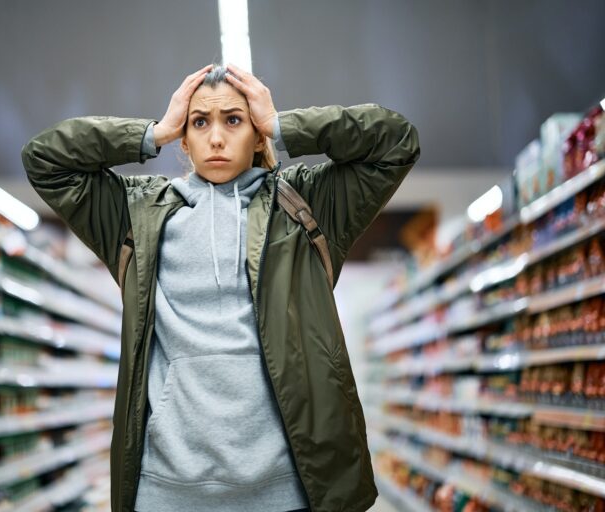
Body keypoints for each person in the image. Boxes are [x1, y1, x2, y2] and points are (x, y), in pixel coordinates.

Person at [22, 63, 420, 512]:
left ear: (256, 135)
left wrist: (285, 125)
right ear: (185, 140)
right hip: (167, 491)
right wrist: (151, 134)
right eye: (199, 122)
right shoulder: (138, 214)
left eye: (233, 120)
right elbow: (45, 160)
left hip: (287, 490)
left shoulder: (306, 205)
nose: (215, 137)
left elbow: (396, 142)